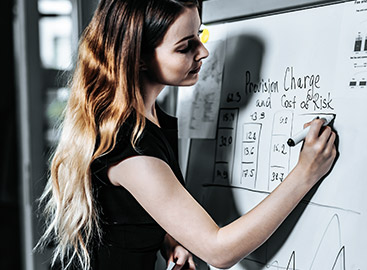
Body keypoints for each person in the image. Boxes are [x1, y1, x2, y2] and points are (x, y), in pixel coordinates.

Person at [36, 0, 337, 269]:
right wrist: (305, 174)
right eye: (185, 46)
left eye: (200, 36)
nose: (203, 52)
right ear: (138, 58)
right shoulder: (131, 149)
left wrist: (170, 232)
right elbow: (219, 250)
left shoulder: (147, 117)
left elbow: (125, 212)